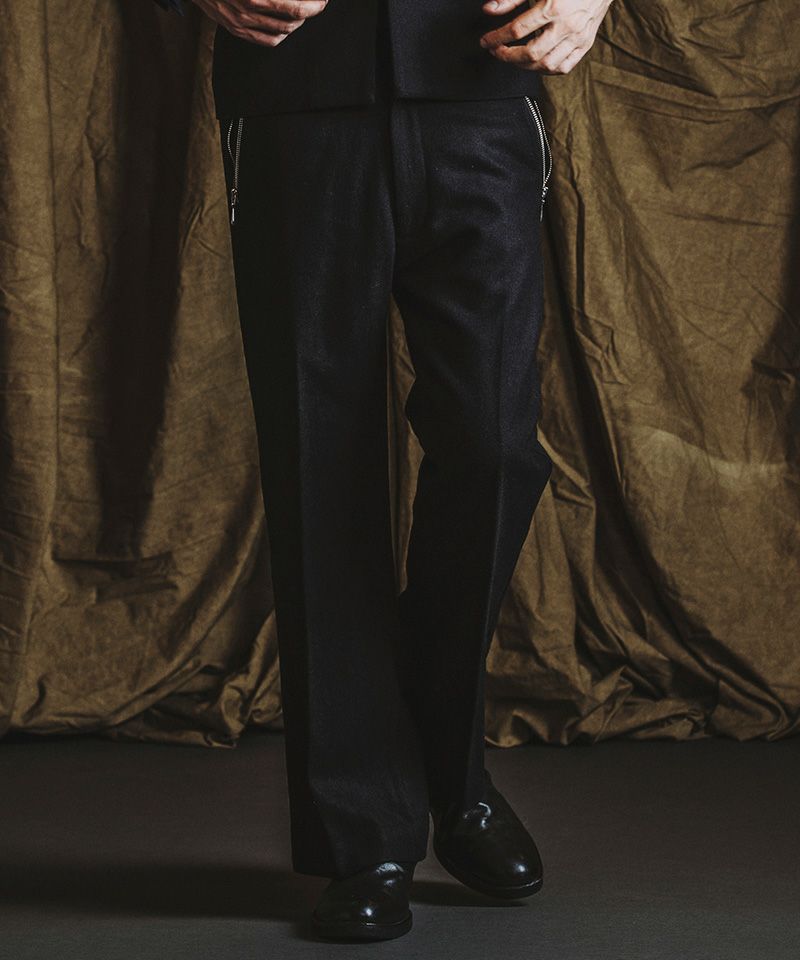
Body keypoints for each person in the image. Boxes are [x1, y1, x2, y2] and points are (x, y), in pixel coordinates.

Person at [154, 0, 614, 942]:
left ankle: (448, 766)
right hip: (296, 93)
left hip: (479, 81)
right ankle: (364, 831)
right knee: (319, 465)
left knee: (494, 449)